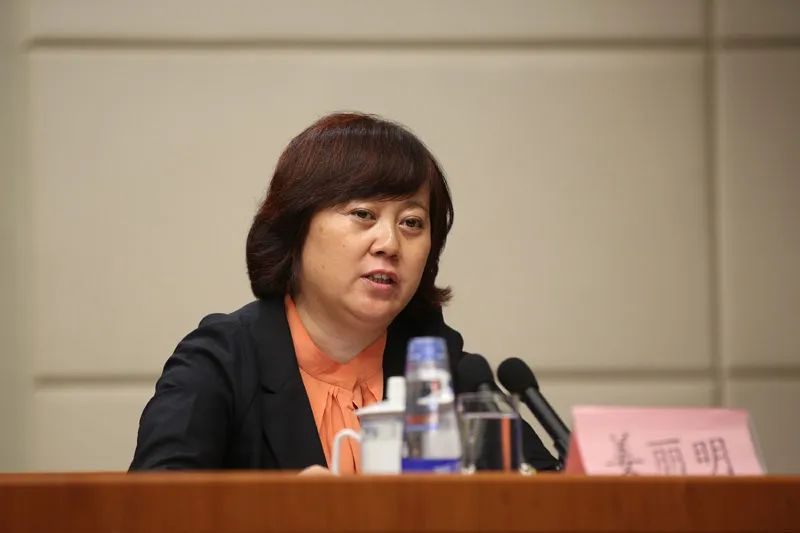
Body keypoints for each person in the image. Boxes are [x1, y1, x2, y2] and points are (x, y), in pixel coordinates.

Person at [130, 112, 557, 473]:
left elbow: (547, 498)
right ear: (297, 228)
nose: (389, 243)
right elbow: (151, 512)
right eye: (363, 214)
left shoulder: (447, 371)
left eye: (411, 222)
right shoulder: (221, 362)